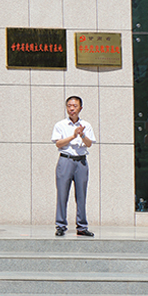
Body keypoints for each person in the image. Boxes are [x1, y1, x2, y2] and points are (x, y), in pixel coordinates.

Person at [52, 96, 96, 237]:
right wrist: (73, 136)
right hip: (66, 160)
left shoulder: (86, 125)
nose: (72, 109)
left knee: (81, 195)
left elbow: (89, 143)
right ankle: (60, 225)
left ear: (80, 108)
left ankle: (82, 226)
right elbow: (58, 143)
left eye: (75, 106)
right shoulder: (60, 125)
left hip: (81, 162)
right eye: (69, 106)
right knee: (62, 194)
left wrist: (82, 135)